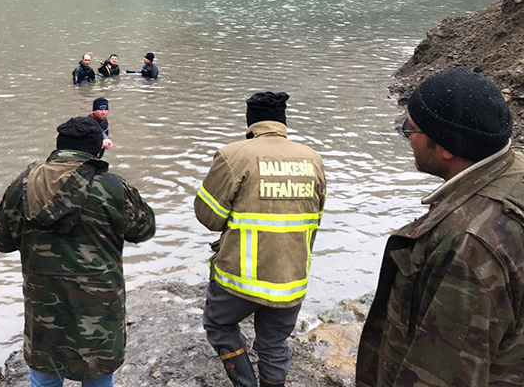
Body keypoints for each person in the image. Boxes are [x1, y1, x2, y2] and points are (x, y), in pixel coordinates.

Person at [356, 67, 524, 387]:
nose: (406, 136)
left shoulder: (469, 246)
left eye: (411, 129)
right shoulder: (514, 173)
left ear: (446, 148)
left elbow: (442, 372)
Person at [0, 117, 156, 387]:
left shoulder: (23, 184)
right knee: (99, 379)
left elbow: (1, 241)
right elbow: (144, 229)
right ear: (98, 152)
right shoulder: (113, 187)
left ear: (58, 149)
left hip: (43, 309)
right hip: (99, 311)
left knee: (44, 379)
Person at [194, 92, 327, 387]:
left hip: (240, 277)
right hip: (291, 277)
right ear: (284, 122)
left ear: (250, 122)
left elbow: (208, 217)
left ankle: (245, 384)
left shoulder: (234, 155)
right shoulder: (313, 160)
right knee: (274, 343)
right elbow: (316, 216)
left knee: (218, 324)